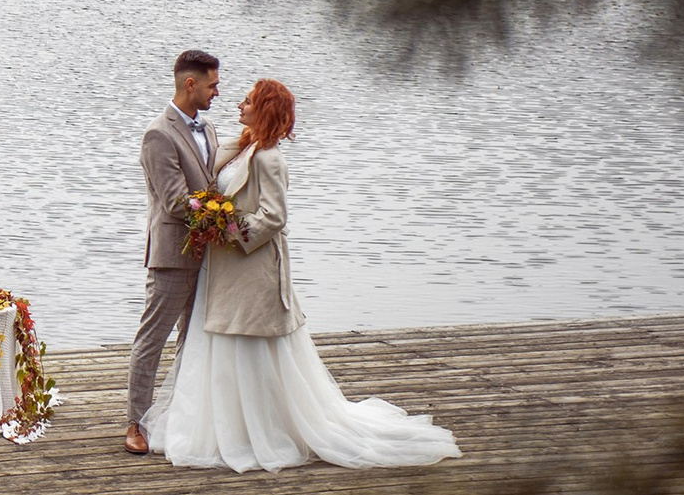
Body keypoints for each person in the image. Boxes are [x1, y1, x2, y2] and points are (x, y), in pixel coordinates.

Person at [139, 78, 460, 471]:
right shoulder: (240, 147)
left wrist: (228, 229)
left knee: (248, 344)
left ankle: (259, 430)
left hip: (249, 267)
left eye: (248, 101)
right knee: (216, 342)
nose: (238, 104)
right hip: (221, 270)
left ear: (265, 110)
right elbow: (206, 188)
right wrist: (211, 218)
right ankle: (222, 425)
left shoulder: (269, 158)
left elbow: (274, 216)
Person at [123, 50, 220, 454]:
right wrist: (225, 223)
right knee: (153, 339)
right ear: (189, 84)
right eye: (212, 85)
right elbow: (177, 201)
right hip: (171, 255)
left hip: (210, 258)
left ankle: (177, 418)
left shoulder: (210, 129)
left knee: (193, 339)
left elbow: (212, 182)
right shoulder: (158, 134)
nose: (217, 92)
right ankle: (135, 424)